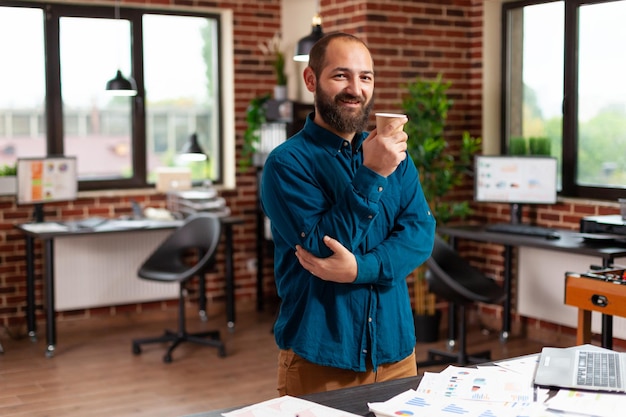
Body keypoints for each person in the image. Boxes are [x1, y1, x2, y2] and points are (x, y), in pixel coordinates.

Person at [260, 32, 436, 396]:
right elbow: (324, 249)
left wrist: (360, 269)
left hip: (397, 355)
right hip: (321, 359)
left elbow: (419, 235)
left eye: (365, 77)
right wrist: (371, 174)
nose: (355, 88)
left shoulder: (395, 156)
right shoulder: (286, 164)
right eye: (341, 75)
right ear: (312, 80)